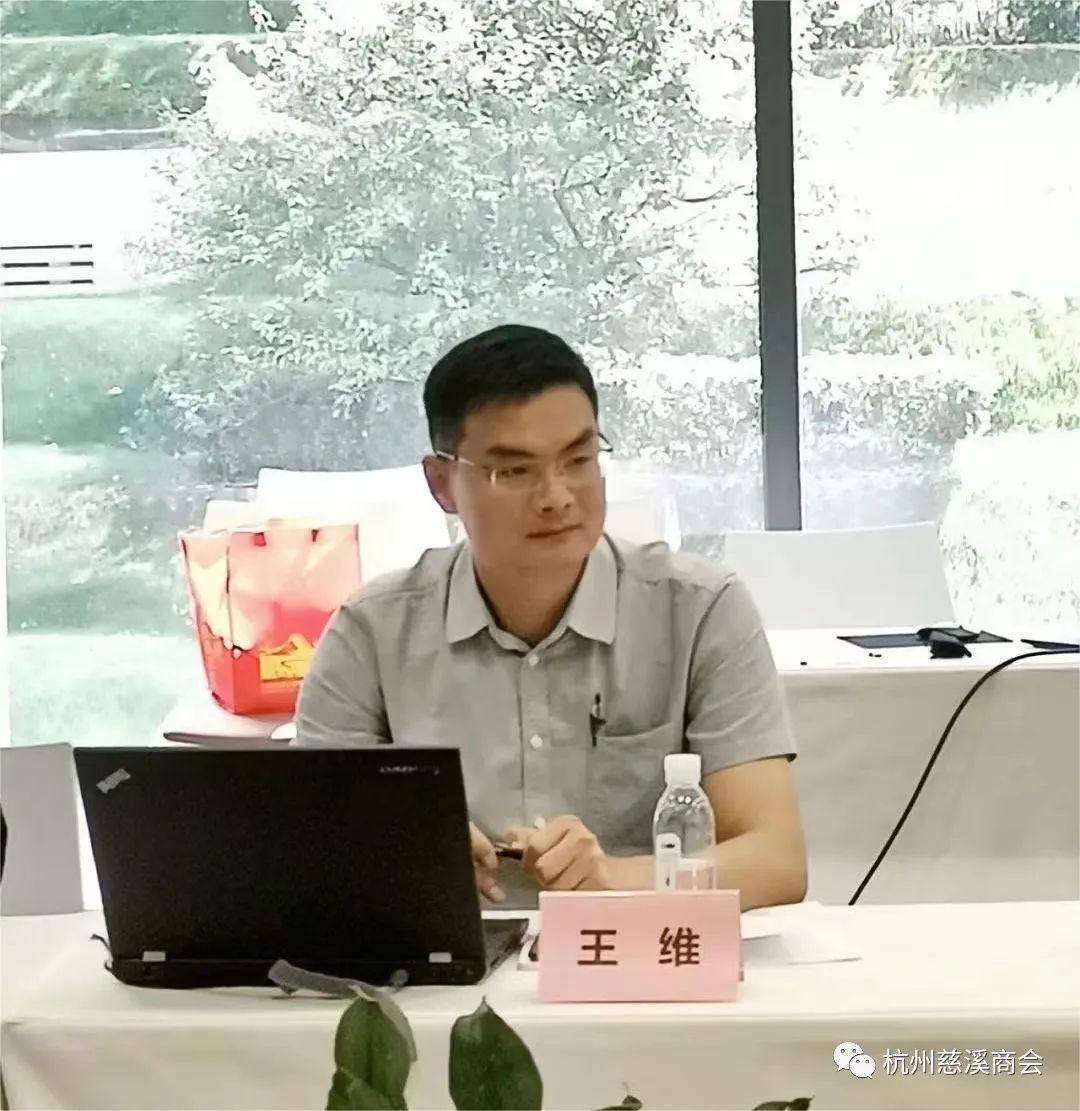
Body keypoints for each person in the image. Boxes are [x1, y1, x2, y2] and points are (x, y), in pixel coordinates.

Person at [295, 324, 806, 910]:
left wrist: (615, 879)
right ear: (442, 483)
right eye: (514, 471)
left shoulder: (699, 610)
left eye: (579, 459)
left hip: (638, 951)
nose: (557, 496)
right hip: (455, 956)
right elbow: (309, 853)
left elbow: (774, 860)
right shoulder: (372, 632)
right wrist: (403, 857)